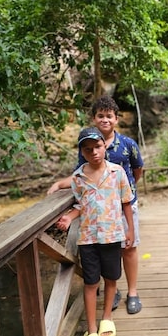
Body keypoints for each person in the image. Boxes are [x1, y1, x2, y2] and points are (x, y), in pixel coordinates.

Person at [48, 95, 144, 314]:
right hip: (98, 210)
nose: (105, 120)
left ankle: (133, 292)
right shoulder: (89, 144)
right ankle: (115, 289)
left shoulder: (128, 144)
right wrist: (60, 184)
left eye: (109, 116)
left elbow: (137, 170)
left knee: (128, 247)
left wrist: (123, 191)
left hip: (125, 203)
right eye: (100, 116)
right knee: (107, 248)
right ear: (94, 119)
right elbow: (80, 176)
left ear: (116, 119)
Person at [56, 127, 134, 336]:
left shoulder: (117, 172)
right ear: (82, 151)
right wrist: (69, 216)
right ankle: (91, 330)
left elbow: (126, 202)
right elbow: (81, 205)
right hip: (88, 238)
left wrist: (129, 230)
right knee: (90, 283)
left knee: (111, 279)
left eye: (97, 147)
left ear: (104, 146)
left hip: (112, 235)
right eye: (87, 149)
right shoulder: (78, 177)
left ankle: (106, 318)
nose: (94, 152)